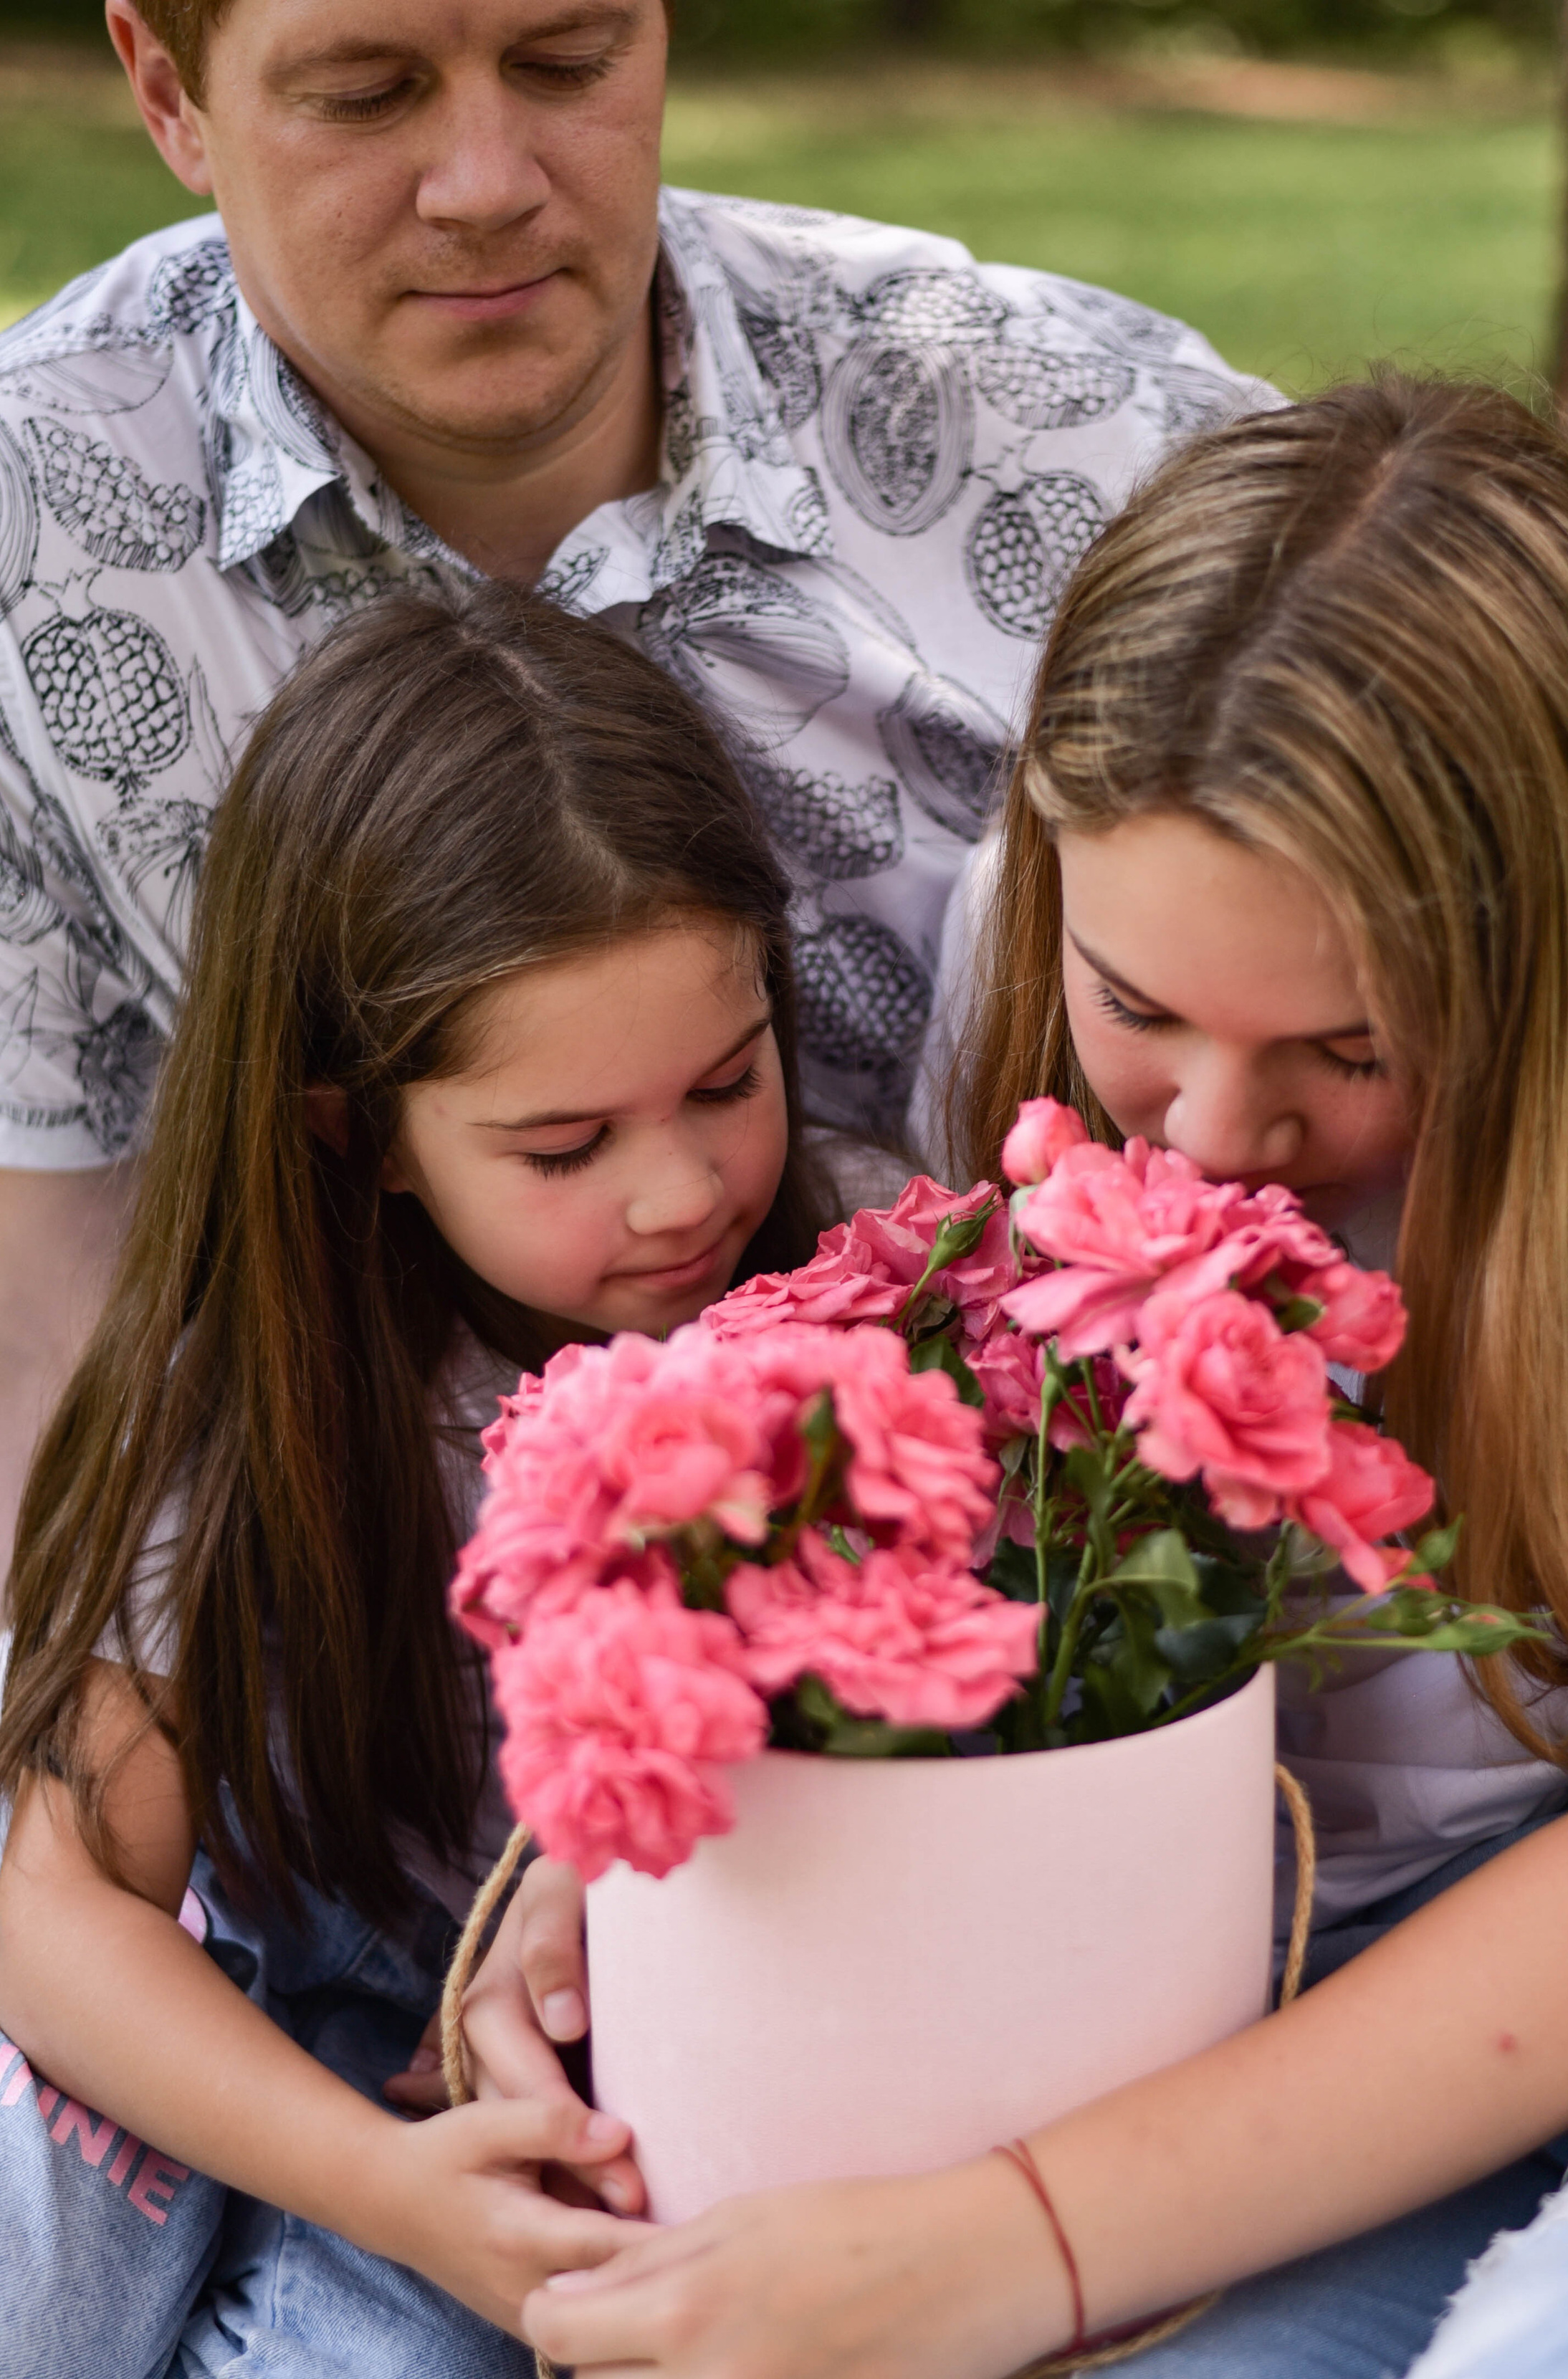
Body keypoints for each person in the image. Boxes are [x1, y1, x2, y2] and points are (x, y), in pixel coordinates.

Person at [494, 375, 1568, 2379]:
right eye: (1141, 1012)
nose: (1217, 1133)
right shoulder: (1041, 950)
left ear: (1566, 948)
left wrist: (1003, 2250)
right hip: (1395, 2060)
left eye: (1348, 1043)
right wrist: (594, 1861)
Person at [0, 0, 1272, 1574]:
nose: (483, 182)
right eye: (362, 92)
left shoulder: (1098, 443)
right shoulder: (32, 546)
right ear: (166, 92)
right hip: (383, 1691)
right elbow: (54, 1326)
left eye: (564, 63)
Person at [0, 580, 823, 2379]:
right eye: (565, 1140)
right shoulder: (256, 1398)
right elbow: (57, 1905)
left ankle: (171, 2313)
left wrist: (433, 2188)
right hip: (174, 1958)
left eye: (727, 1083)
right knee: (17, 2368)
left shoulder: (833, 1347)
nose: (677, 1190)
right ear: (356, 1137)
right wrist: (365, 2182)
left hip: (436, 2045)